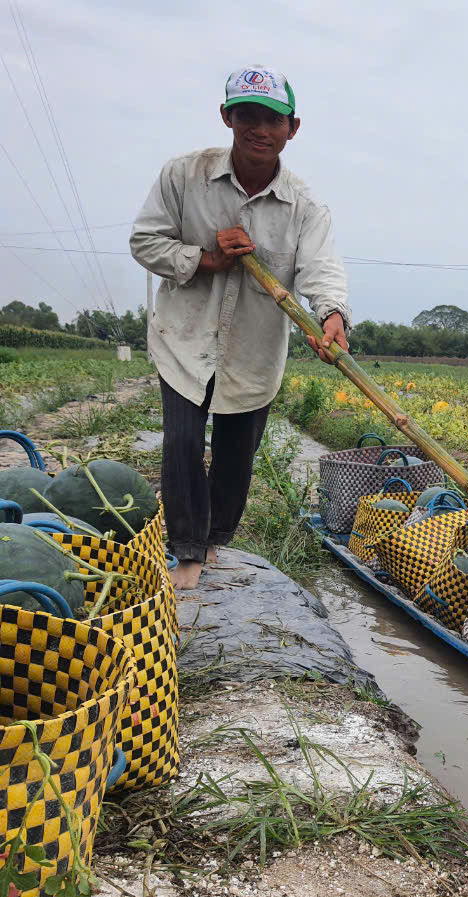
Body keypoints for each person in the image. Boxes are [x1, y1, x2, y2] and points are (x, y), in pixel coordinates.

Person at [130, 65, 351, 589]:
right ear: (227, 117)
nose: (259, 129)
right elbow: (145, 241)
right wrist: (204, 258)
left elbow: (321, 269)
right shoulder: (184, 177)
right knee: (182, 442)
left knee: (236, 454)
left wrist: (331, 314)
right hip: (184, 338)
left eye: (272, 119)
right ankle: (185, 554)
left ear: (291, 129)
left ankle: (212, 541)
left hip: (254, 350)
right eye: (247, 115)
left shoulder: (305, 207)